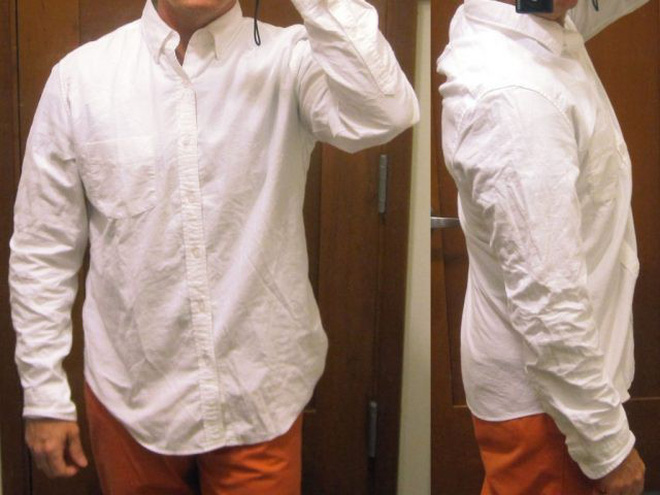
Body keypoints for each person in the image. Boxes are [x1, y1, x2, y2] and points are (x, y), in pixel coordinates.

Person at [8, 0, 419, 492]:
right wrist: (44, 394)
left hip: (259, 394)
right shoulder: (80, 79)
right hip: (130, 396)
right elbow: (42, 247)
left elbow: (386, 113)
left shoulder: (292, 59)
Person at [437, 0, 650, 493]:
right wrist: (607, 446)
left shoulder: (537, 20)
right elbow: (547, 300)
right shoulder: (517, 96)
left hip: (558, 396)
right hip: (550, 413)